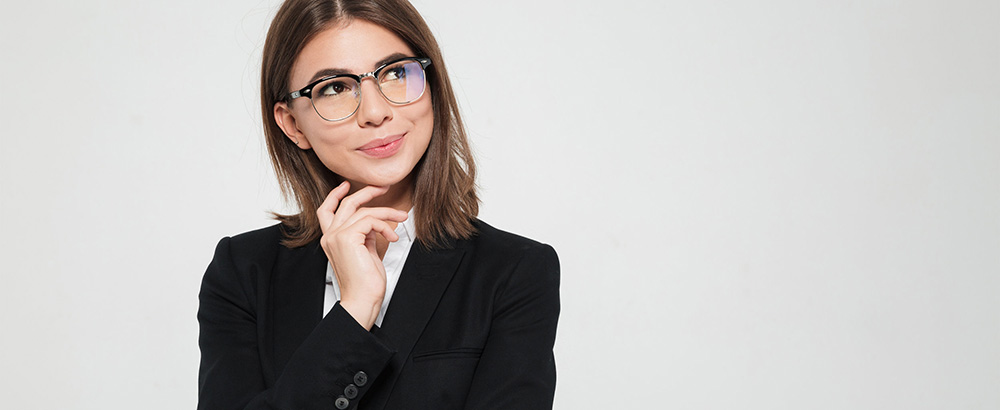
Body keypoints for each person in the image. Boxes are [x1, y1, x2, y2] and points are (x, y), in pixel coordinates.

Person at [196, 0, 560, 409]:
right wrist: (354, 310)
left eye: (395, 73)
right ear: (292, 124)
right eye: (335, 87)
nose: (376, 111)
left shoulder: (514, 272)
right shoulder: (243, 271)